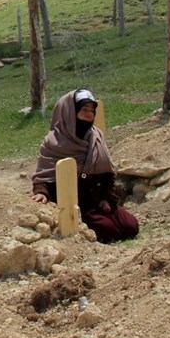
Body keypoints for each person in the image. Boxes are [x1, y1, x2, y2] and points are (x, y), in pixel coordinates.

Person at [30, 89, 138, 243]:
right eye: (84, 110)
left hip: (98, 200)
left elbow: (108, 173)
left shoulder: (96, 136)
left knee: (130, 226)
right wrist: (42, 192)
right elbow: (44, 174)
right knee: (108, 230)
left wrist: (106, 198)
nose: (89, 115)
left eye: (92, 110)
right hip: (75, 205)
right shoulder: (54, 142)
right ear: (70, 113)